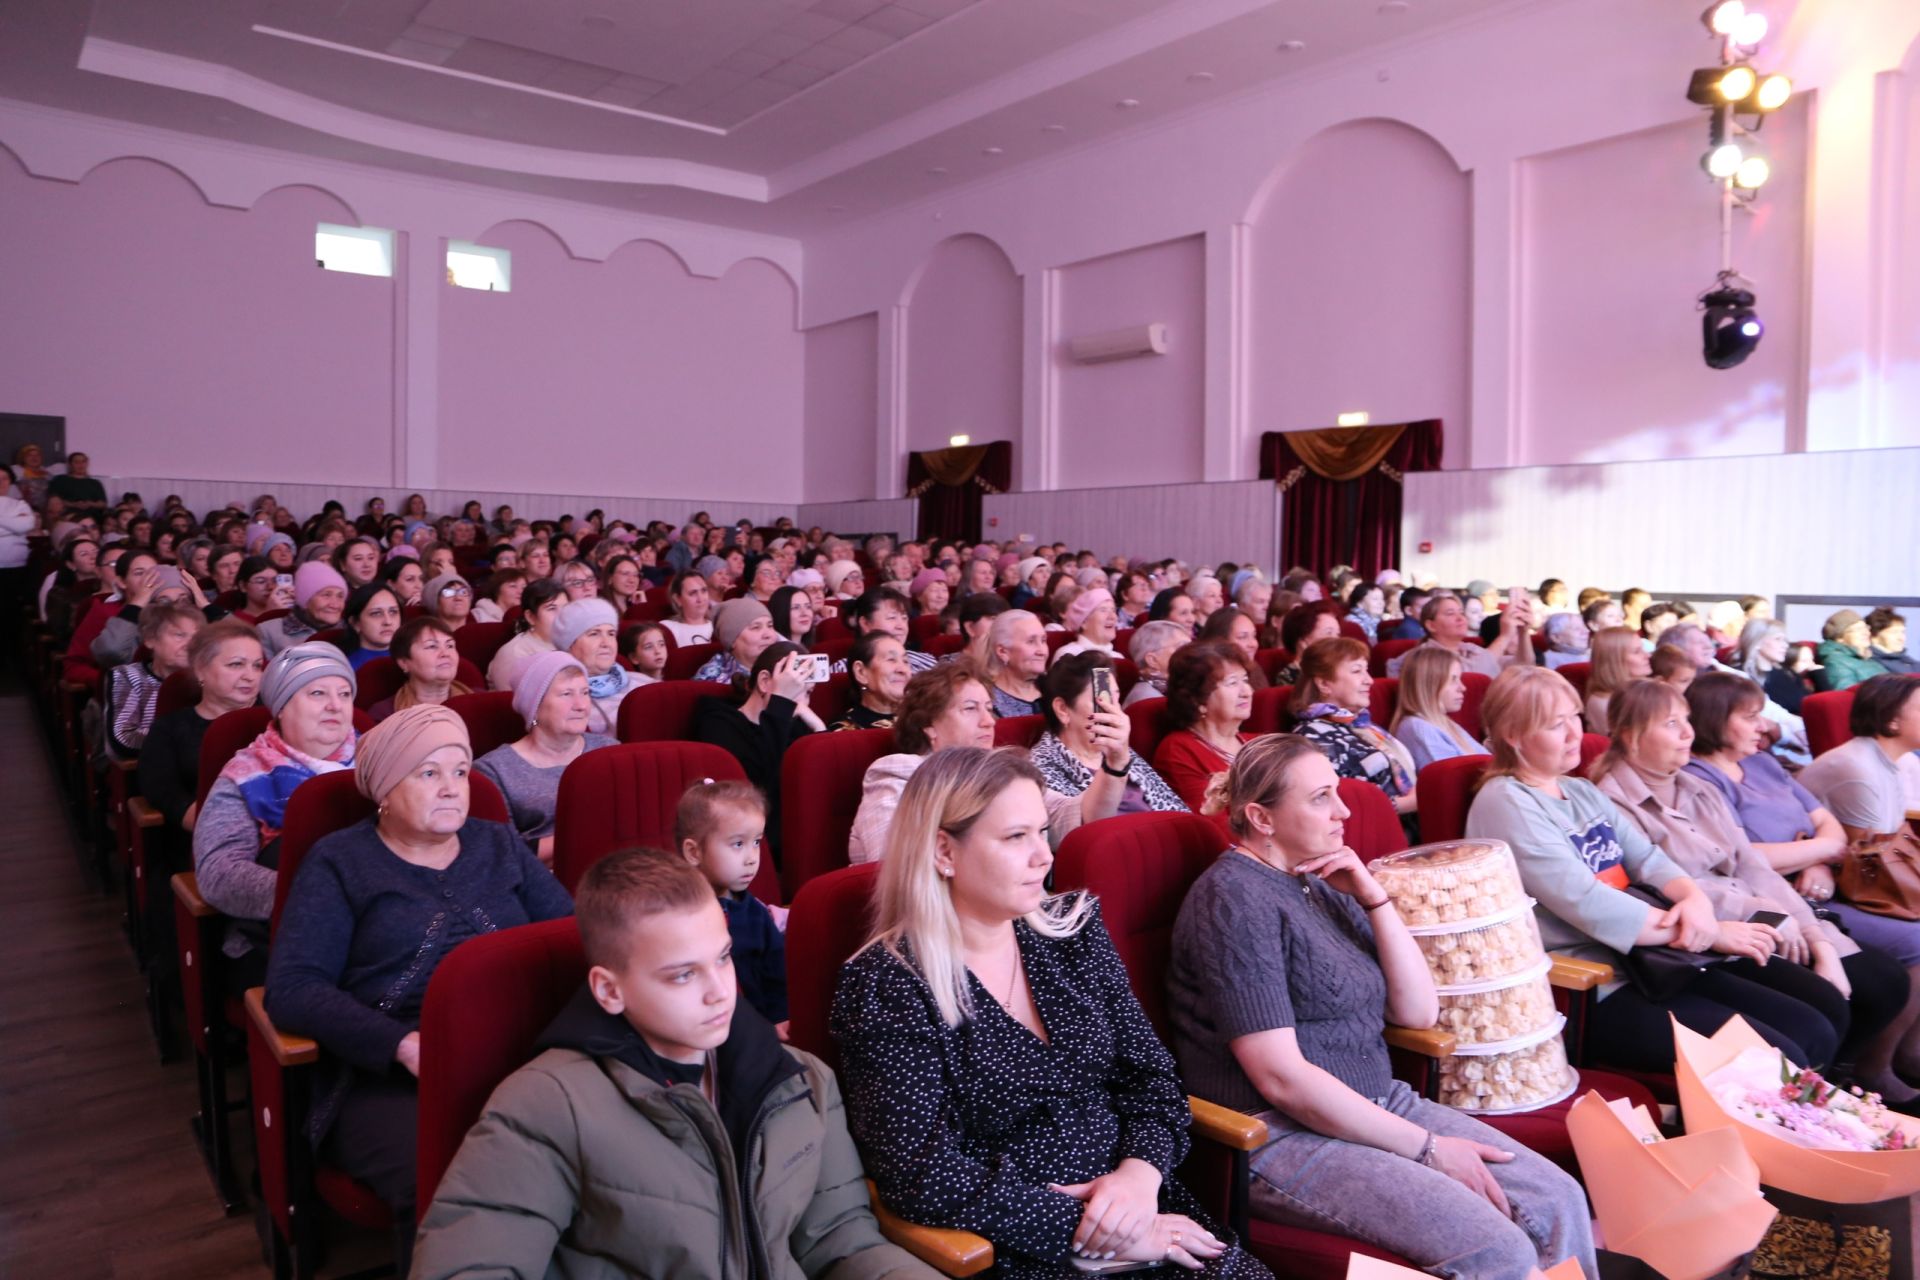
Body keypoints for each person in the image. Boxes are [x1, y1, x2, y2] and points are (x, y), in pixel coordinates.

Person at [1167, 735, 1596, 1280]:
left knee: (1558, 1196)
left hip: (1378, 1101)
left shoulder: (1317, 882)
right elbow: (1280, 1079)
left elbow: (1418, 1012)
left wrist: (1374, 897)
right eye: (1322, 797)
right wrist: (1429, 1149)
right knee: (1498, 1249)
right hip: (1277, 1133)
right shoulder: (1232, 900)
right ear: (1261, 817)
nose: (1344, 811)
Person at [832, 747, 1265, 1279]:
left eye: (1042, 831)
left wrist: (1139, 1176)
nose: (1044, 856)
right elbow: (921, 1173)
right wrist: (1089, 1231)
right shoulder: (888, 984)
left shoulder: (1072, 931)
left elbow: (1152, 1081)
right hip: (1019, 1245)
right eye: (1017, 837)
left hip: (1144, 1208)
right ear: (944, 851)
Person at [409, 848, 932, 1280]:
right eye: (682, 975)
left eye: (723, 958)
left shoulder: (803, 1081)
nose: (719, 992)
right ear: (609, 991)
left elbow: (841, 1242)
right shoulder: (547, 1104)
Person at [266, 705, 574, 1255]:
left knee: (592, 1152)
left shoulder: (497, 843)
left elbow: (569, 935)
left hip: (523, 1054)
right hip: (391, 1076)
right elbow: (293, 987)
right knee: (463, 1183)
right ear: (385, 788)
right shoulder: (339, 862)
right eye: (429, 773)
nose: (453, 788)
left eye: (460, 772)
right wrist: (401, 1046)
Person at [1466, 666, 1840, 1074]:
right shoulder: (1505, 801)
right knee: (1780, 1058)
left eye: (1575, 716)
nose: (1576, 733)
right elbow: (1588, 902)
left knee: (1814, 1023)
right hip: (1592, 981)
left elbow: (1648, 858)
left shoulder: (1578, 789)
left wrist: (1693, 899)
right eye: (1557, 725)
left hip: (1652, 956)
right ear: (1514, 735)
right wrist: (1709, 931)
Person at [1596, 678, 1920, 1099]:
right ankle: (1815, 1102)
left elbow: (1752, 865)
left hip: (1763, 912)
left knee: (1880, 982)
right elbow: (1666, 886)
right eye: (1671, 723)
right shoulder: (1611, 800)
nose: (1687, 734)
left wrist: (1815, 939)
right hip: (1701, 937)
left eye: (1687, 721)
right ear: (1629, 734)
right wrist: (1771, 915)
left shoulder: (1697, 787)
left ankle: (1837, 1086)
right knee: (1824, 1011)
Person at [1687, 672, 1920, 1074]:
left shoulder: (1762, 763)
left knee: (1883, 977)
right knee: (1889, 967)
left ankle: (1873, 1067)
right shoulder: (1700, 779)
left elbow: (1826, 822)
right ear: (1714, 718)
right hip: (1767, 898)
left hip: (1817, 886)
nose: (1764, 725)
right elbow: (1739, 857)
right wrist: (1822, 850)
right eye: (1750, 716)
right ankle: (1861, 1071)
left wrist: (1817, 858)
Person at [193, 642, 358, 988]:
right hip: (290, 935)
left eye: (345, 694)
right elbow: (217, 873)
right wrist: (319, 897)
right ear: (281, 707)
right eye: (317, 693)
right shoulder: (246, 775)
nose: (335, 705)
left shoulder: (380, 758)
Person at [848, 664, 1128, 864]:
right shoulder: (898, 772)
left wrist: (1115, 762)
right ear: (929, 726)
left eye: (989, 709)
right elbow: (893, 864)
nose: (988, 721)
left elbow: (1080, 817)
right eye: (970, 709)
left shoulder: (1005, 771)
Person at [474, 651, 618, 865]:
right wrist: (590, 836)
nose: (581, 705)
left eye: (585, 692)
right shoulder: (494, 771)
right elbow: (503, 853)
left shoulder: (610, 751)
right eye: (566, 694)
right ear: (535, 708)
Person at [676, 779, 786, 1028]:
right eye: (738, 844)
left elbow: (778, 976)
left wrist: (781, 1019)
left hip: (759, 1032)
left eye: (756, 842)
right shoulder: (679, 919)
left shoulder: (755, 913)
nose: (752, 859)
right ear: (694, 852)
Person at [692, 643, 815, 864]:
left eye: (808, 692)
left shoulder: (796, 724)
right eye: (796, 689)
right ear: (765, 682)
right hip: (752, 848)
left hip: (796, 843)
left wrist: (819, 727)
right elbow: (759, 792)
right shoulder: (719, 723)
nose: (804, 702)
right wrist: (781, 703)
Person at [140, 620, 264, 835]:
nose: (250, 676)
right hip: (206, 838)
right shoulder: (169, 729)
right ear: (200, 670)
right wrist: (225, 833)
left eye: (257, 666)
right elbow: (166, 794)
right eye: (236, 664)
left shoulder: (276, 723)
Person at [1030, 653, 1186, 813]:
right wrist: (1116, 764)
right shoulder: (1041, 768)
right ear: (1063, 709)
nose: (1116, 711)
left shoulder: (1117, 749)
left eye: (1116, 699)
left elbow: (1176, 812)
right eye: (1102, 702)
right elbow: (1085, 829)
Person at [1289, 637, 1418, 822]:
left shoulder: (1361, 724)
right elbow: (1334, 806)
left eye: (1366, 671)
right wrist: (1408, 804)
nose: (1370, 680)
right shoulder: (1312, 736)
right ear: (1324, 684)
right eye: (1357, 671)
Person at [1153, 640, 1260, 813]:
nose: (1247, 692)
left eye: (1245, 680)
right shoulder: (1178, 750)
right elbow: (1210, 822)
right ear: (1198, 700)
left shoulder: (1259, 744)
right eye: (1232, 683)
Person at [101, 600, 204, 762]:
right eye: (179, 635)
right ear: (150, 639)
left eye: (197, 637)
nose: (190, 645)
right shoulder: (128, 676)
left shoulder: (208, 678)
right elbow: (123, 739)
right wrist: (184, 739)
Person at [1388, 643, 1487, 772]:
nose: (1463, 688)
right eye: (1453, 680)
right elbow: (1452, 779)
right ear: (1430, 685)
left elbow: (1487, 761)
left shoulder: (1442, 721)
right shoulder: (1418, 728)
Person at [550, 597, 641, 735]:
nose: (606, 643)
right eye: (594, 634)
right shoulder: (556, 695)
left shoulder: (644, 683)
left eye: (611, 634)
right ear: (569, 645)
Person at [1390, 593, 1535, 680]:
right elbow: (1474, 678)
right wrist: (1505, 636)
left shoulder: (1469, 650)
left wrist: (1523, 631)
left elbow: (1523, 664)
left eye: (1461, 612)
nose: (1460, 618)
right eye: (1450, 613)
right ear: (1431, 625)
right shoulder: (1423, 657)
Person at [367, 617, 471, 722]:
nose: (445, 654)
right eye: (432, 646)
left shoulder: (479, 700)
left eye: (450, 645)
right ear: (404, 662)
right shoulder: (386, 714)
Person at [486, 578, 567, 692]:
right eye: (551, 608)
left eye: (565, 607)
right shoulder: (515, 654)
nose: (562, 615)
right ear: (530, 617)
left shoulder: (571, 643)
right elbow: (514, 705)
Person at [259, 563, 349, 659]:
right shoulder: (268, 632)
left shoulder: (352, 633)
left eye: (340, 596)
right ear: (305, 600)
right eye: (326, 595)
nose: (335, 604)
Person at [695, 597, 785, 685]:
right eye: (756, 627)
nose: (768, 635)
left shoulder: (787, 667)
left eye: (770, 626)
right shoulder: (712, 680)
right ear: (732, 640)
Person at [836, 632, 911, 731]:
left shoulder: (926, 720)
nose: (903, 670)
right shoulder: (845, 730)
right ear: (861, 672)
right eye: (891, 659)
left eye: (905, 661)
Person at [1583, 625, 1652, 732]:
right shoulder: (1604, 704)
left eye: (1643, 649)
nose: (1647, 655)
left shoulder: (1644, 688)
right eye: (1637, 651)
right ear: (1615, 661)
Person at [985, 610, 1050, 718]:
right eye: (1031, 641)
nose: (1042, 651)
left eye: (1043, 640)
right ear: (1003, 652)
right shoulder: (987, 703)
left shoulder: (1058, 688)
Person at [1736, 618, 1806, 714]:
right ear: (1757, 642)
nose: (1785, 645)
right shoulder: (1741, 677)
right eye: (1778, 639)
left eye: (1785, 640)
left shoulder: (1789, 673)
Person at [1814, 610, 1889, 692]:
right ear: (1840, 638)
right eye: (1858, 629)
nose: (1866, 633)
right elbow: (1845, 695)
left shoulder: (1866, 659)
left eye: (1866, 628)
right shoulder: (1835, 661)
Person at [1274, 602, 1344, 684]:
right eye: (1328, 633)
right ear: (1303, 640)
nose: (1337, 640)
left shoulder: (1341, 670)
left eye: (1338, 634)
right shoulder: (1287, 678)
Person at [339, 582, 403, 671]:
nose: (388, 622)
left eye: (393, 612)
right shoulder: (347, 668)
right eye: (376, 613)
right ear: (355, 623)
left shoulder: (414, 657)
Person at [1126, 620, 1188, 707]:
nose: (1192, 652)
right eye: (1182, 647)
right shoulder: (1147, 699)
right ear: (1153, 660)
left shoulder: (1176, 688)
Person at [1051, 588, 1121, 664]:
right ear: (1084, 622)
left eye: (1113, 610)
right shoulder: (1069, 656)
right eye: (1103, 610)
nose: (1112, 617)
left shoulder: (1119, 657)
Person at [661, 571, 715, 647]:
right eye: (693, 593)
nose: (700, 599)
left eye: (704, 591)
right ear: (677, 599)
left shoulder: (719, 627)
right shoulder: (667, 628)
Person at [48, 451, 108, 518]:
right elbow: (53, 500)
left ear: (87, 464)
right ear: (70, 464)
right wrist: (73, 504)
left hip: (91, 518)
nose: (80, 465)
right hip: (67, 517)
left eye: (83, 462)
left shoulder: (95, 483)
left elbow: (103, 503)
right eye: (76, 462)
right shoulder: (60, 480)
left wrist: (90, 504)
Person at [1867, 608, 1918, 676]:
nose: (1901, 638)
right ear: (1874, 636)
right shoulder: (1872, 664)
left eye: (1902, 632)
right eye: (1894, 632)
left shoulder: (1906, 660)